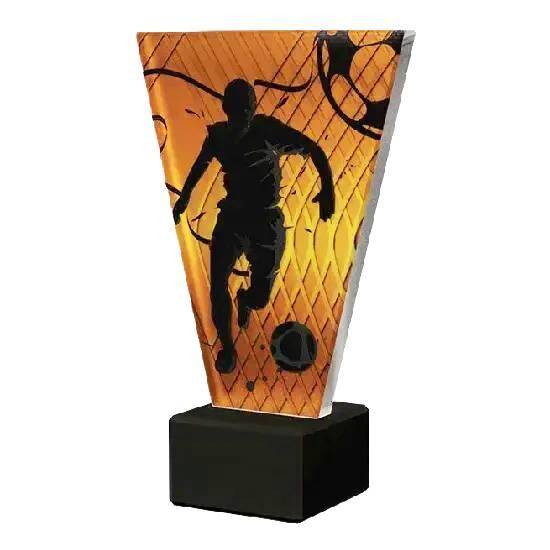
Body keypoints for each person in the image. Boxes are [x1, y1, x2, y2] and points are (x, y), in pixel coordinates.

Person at [173, 79, 335, 373]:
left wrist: (328, 189)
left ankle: (247, 299)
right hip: (233, 218)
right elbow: (199, 168)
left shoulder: (267, 129)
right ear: (226, 108)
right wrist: (183, 201)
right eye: (238, 108)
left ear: (254, 109)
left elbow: (313, 148)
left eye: (248, 107)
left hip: (266, 222)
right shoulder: (218, 137)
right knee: (217, 282)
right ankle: (227, 347)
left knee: (260, 297)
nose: (244, 114)